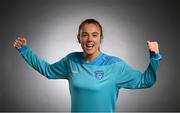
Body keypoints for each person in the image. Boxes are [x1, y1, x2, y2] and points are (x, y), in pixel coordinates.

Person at [13, 19, 162, 112]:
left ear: (101, 38)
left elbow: (146, 81)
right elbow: (47, 70)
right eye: (85, 35)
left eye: (94, 35)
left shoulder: (114, 65)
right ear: (79, 38)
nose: (89, 39)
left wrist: (154, 56)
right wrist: (25, 50)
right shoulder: (70, 61)